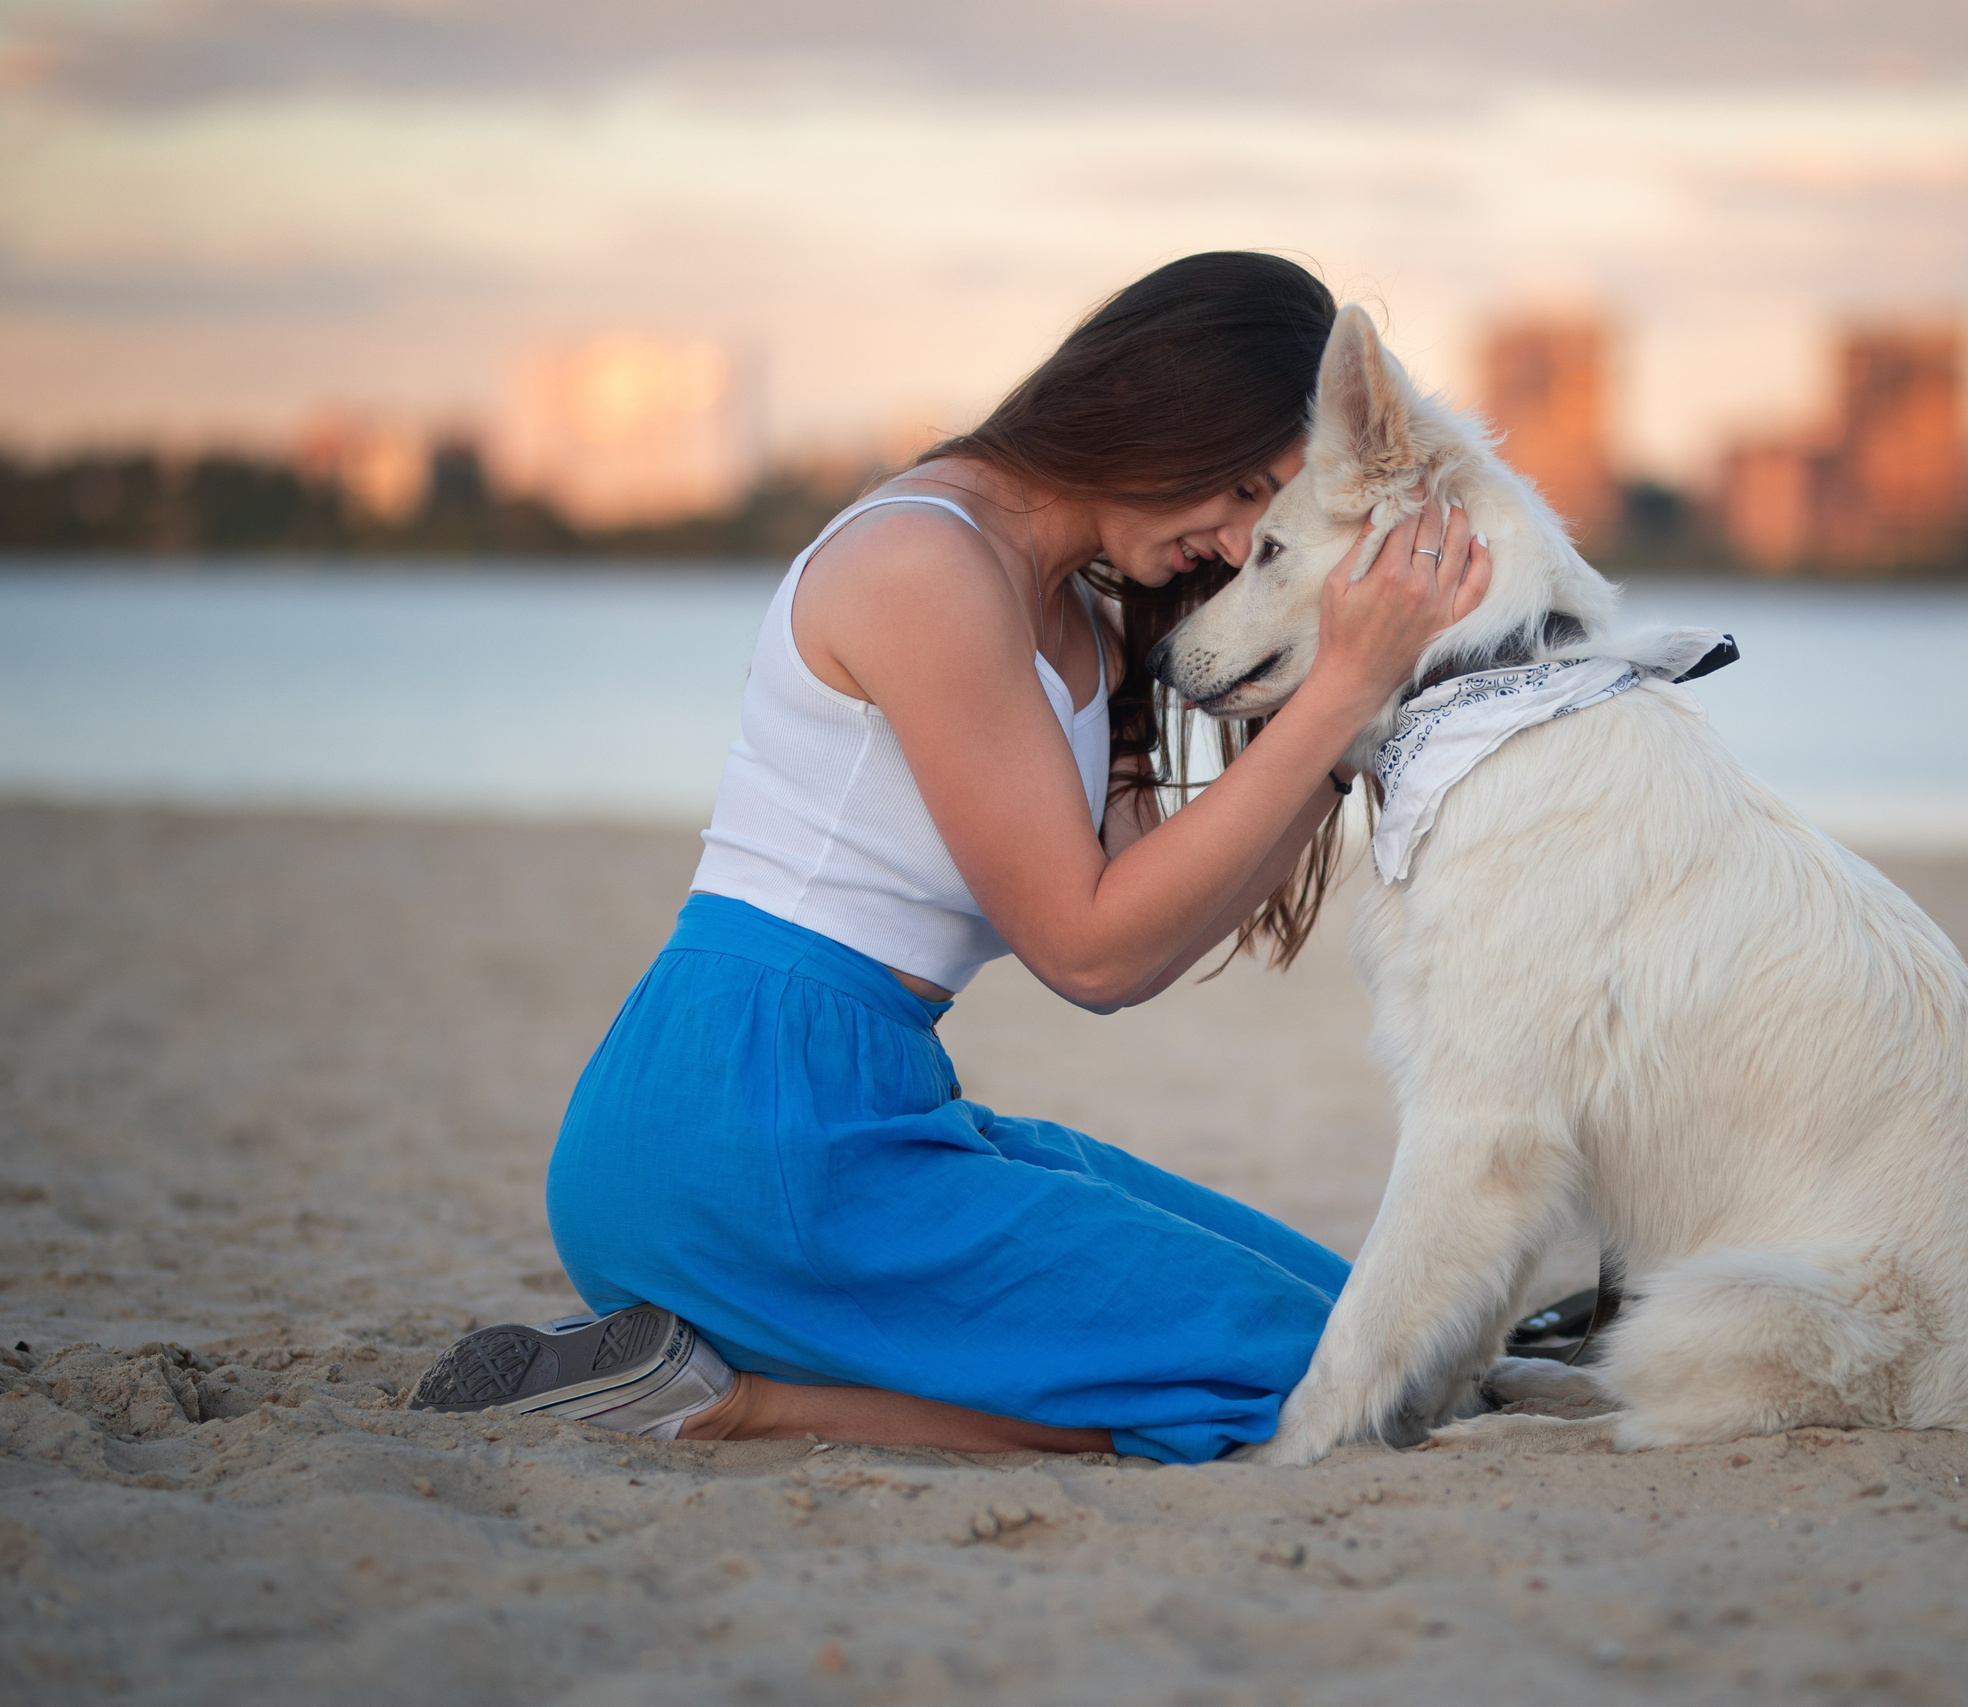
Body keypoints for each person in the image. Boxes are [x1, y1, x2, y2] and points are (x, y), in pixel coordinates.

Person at [407, 253, 1490, 1462]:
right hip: (738, 1121)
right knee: (1321, 1377)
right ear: (1154, 403)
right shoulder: (924, 565)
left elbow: (1142, 939)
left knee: (1368, 1320)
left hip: (879, 1107)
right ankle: (732, 1400)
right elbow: (1083, 948)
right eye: (1238, 488)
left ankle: (722, 1368)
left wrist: (1349, 714)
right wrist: (1338, 694)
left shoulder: (1077, 612)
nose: (1242, 545)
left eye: (1272, 514)